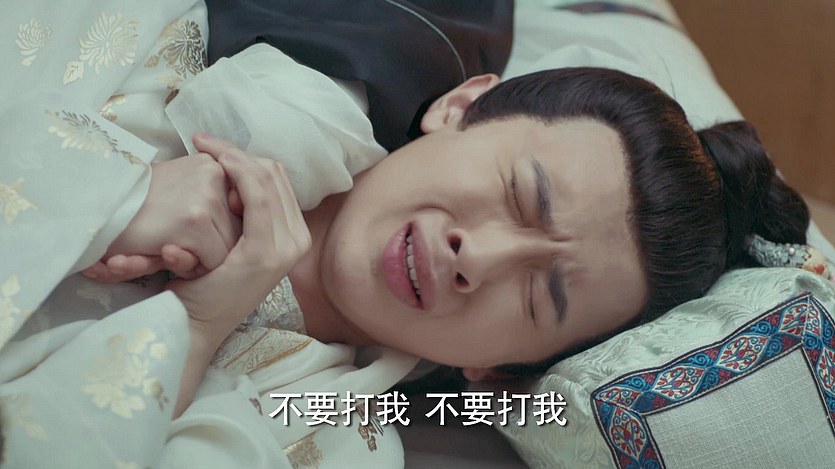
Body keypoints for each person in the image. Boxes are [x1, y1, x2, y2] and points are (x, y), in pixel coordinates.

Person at [0, 2, 819, 468]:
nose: (479, 257)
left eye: (538, 297)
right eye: (517, 195)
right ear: (460, 107)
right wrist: (111, 191)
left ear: (495, 369)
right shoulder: (183, 57)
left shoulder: (327, 432)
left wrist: (196, 326)